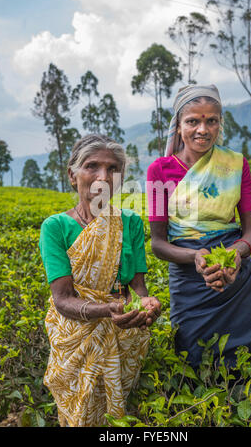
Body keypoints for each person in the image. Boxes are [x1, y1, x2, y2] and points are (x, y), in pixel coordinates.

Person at [39, 134, 161, 427]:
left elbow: (138, 288)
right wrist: (106, 310)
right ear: (73, 175)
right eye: (92, 166)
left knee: (117, 415)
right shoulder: (56, 227)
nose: (103, 177)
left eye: (113, 169)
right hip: (74, 336)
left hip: (122, 336)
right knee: (79, 412)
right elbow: (63, 299)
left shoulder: (130, 223)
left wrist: (147, 305)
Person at [147, 84, 251, 371]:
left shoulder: (235, 165)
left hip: (235, 276)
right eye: (193, 121)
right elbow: (158, 243)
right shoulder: (160, 170)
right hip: (190, 279)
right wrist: (196, 258)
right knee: (192, 363)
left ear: (219, 124)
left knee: (246, 367)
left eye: (211, 120)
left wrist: (236, 254)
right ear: (178, 126)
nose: (203, 129)